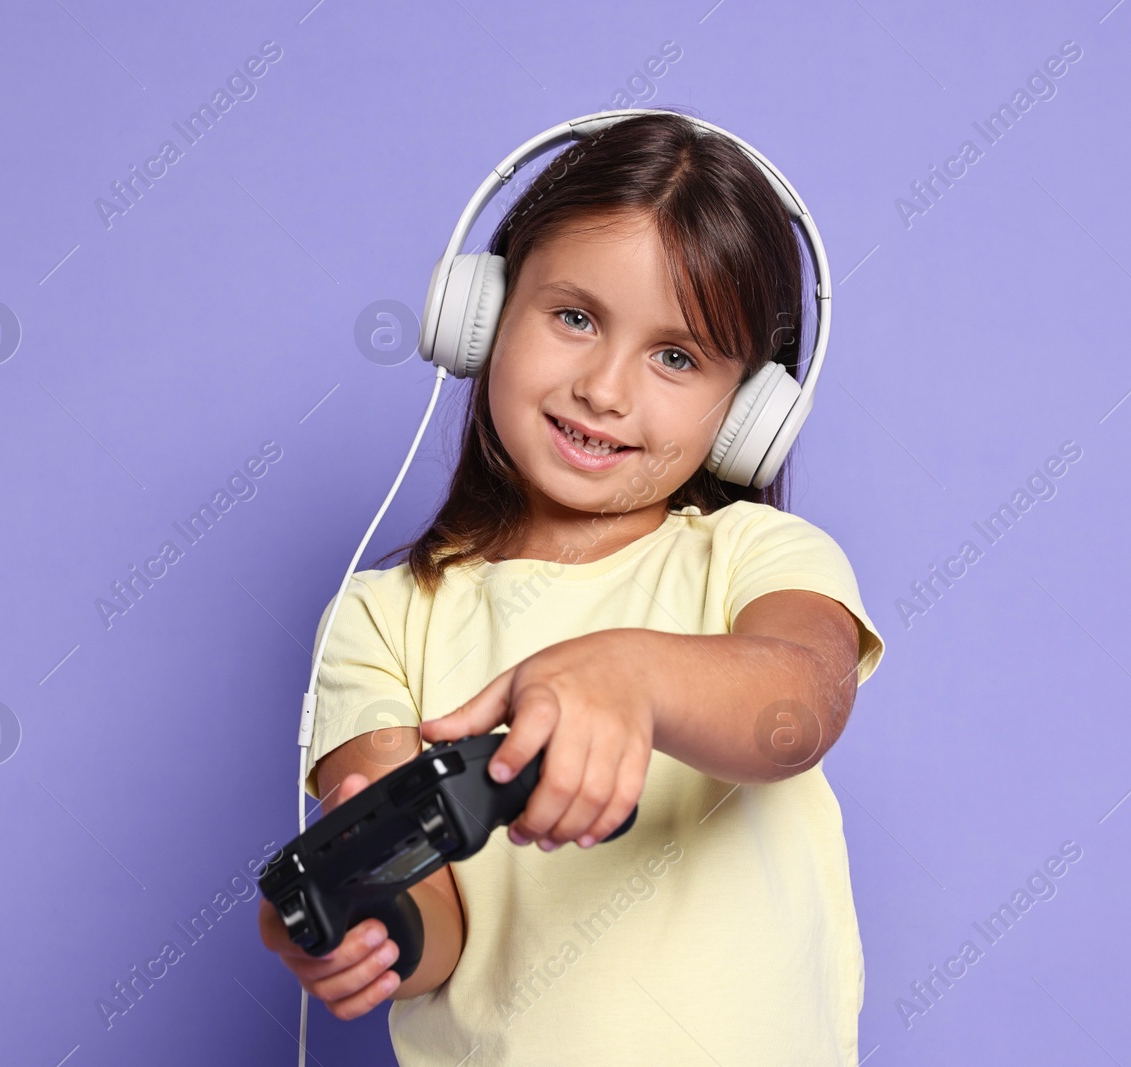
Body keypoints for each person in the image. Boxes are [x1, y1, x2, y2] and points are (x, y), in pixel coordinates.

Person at [257, 108, 886, 1065]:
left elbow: (798, 704)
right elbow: (438, 928)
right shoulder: (386, 618)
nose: (604, 387)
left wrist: (632, 676)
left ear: (748, 411)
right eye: (576, 317)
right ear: (482, 316)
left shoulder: (757, 555)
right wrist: (357, 915)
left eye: (676, 356)